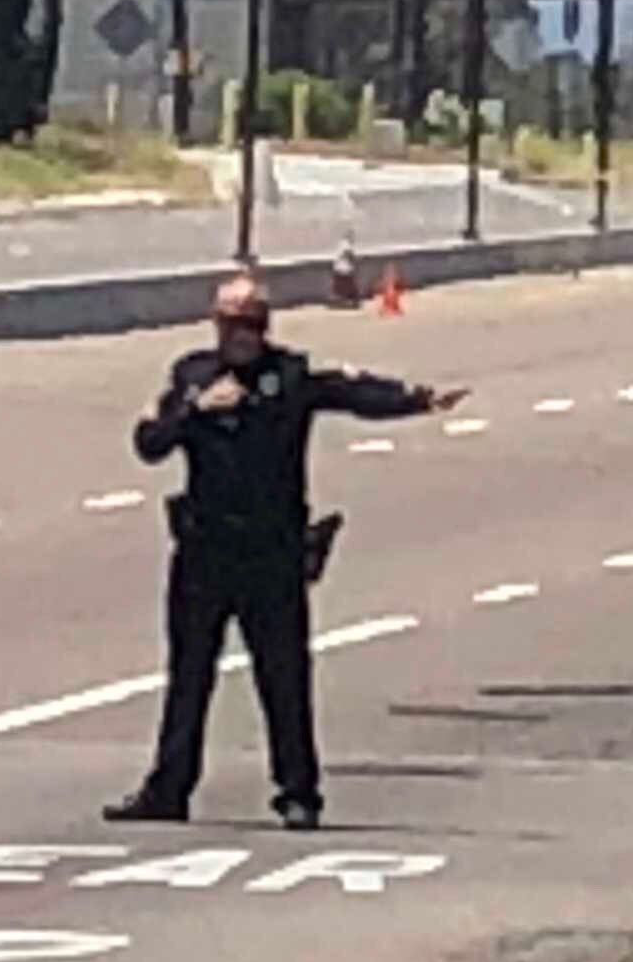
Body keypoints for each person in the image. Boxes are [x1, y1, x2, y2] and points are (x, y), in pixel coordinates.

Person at [104, 272, 461, 830]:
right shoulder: (193, 375)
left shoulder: (289, 376)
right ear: (216, 325)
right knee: (189, 676)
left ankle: (298, 793)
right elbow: (149, 444)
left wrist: (415, 399)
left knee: (285, 677)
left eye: (252, 322)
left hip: (270, 554)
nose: (242, 334)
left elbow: (349, 392)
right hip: (204, 552)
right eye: (233, 323)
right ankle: (168, 788)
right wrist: (195, 411)